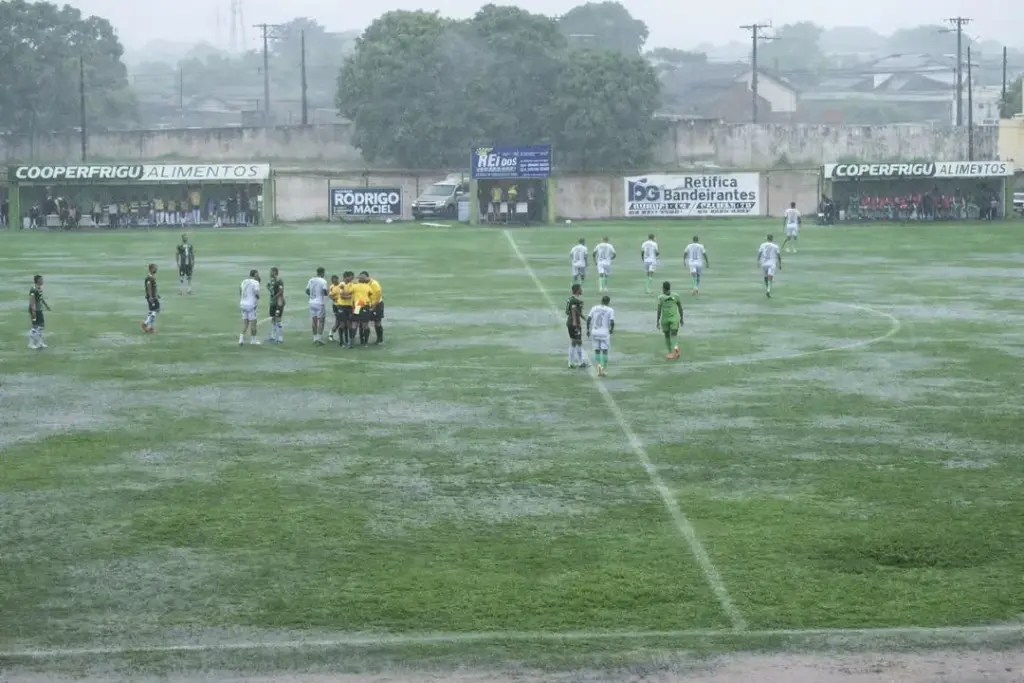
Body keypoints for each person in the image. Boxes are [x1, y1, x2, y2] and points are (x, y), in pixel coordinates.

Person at [587, 295, 615, 377]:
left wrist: (588, 330)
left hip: (595, 332)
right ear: (608, 302)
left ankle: (598, 367)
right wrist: (611, 329)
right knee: (605, 351)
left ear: (601, 301)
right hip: (604, 333)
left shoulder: (594, 308)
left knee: (597, 350)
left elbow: (589, 319)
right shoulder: (610, 310)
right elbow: (612, 321)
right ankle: (603, 369)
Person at [656, 281, 683, 359]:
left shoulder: (660, 297)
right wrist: (682, 318)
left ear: (663, 288)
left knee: (667, 336)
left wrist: (657, 321)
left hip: (665, 319)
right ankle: (675, 346)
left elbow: (659, 310)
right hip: (674, 318)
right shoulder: (676, 296)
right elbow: (680, 308)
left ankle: (670, 353)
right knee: (674, 334)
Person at [565, 284, 587, 369]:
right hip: (574, 323)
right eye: (581, 288)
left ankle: (572, 362)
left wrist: (583, 317)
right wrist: (575, 322)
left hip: (570, 322)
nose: (582, 290)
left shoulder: (571, 299)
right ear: (577, 290)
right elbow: (574, 310)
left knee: (574, 342)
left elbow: (568, 311)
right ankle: (579, 362)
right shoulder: (575, 301)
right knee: (578, 342)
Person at [305, 267, 329, 345]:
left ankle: (314, 338)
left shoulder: (311, 280)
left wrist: (312, 296)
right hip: (319, 303)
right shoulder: (323, 281)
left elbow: (307, 290)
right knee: (321, 321)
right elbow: (325, 292)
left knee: (314, 320)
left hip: (311, 302)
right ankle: (319, 338)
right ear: (322, 273)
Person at [347, 274, 372, 346]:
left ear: (359, 280)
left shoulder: (354, 286)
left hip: (358, 305)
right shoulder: (367, 286)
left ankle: (351, 342)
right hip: (364, 304)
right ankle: (366, 343)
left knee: (354, 323)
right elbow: (371, 294)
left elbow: (349, 292)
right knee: (365, 325)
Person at [238, 269, 261, 345]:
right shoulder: (256, 282)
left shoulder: (244, 281)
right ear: (255, 275)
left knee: (245, 324)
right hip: (251, 306)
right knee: (253, 324)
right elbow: (256, 293)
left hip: (243, 304)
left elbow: (240, 291)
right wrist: (258, 297)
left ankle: (241, 339)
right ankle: (253, 340)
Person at [28, 274, 51, 349]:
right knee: (35, 327)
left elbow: (41, 299)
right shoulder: (33, 289)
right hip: (34, 311)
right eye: (41, 280)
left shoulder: (39, 289)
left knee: (41, 326)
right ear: (38, 280)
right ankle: (31, 343)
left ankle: (40, 342)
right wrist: (33, 311)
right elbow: (32, 301)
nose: (42, 281)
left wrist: (46, 306)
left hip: (39, 310)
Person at [757, 234, 782, 298]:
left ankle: (768, 288)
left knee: (766, 276)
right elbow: (778, 255)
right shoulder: (775, 246)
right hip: (772, 263)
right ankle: (768, 290)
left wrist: (758, 261)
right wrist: (780, 263)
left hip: (764, 263)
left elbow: (759, 253)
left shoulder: (763, 245)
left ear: (767, 238)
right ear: (772, 238)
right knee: (770, 276)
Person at [364, 271, 384, 345]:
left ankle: (380, 339)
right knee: (364, 322)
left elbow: (378, 297)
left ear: (368, 277)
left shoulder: (374, 284)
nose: (362, 279)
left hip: (377, 305)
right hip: (367, 305)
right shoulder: (363, 283)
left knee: (377, 323)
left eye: (363, 277)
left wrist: (374, 307)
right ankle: (364, 341)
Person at [266, 267, 285, 344]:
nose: (270, 273)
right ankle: (273, 337)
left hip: (279, 303)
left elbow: (281, 291)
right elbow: (270, 289)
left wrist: (274, 297)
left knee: (278, 319)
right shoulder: (271, 281)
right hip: (273, 303)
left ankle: (280, 338)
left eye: (271, 272)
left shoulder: (279, 281)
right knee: (273, 319)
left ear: (275, 272)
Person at [336, 271, 355, 347]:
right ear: (347, 277)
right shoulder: (341, 285)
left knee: (349, 324)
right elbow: (342, 296)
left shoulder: (352, 284)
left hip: (349, 306)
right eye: (351, 276)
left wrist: (348, 295)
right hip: (342, 306)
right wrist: (350, 296)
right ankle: (342, 341)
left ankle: (349, 341)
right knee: (342, 324)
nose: (352, 278)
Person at [141, 264, 160, 333]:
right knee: (156, 310)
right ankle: (145, 324)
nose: (156, 270)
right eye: (155, 268)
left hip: (153, 296)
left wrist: (157, 294)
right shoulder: (149, 278)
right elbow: (149, 287)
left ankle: (151, 328)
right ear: (151, 269)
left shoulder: (151, 277)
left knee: (151, 311)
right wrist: (151, 297)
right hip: (152, 297)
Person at [328, 275, 346, 343]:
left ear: (338, 279)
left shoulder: (342, 285)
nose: (334, 282)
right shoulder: (331, 287)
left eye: (335, 280)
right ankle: (332, 333)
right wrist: (336, 298)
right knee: (339, 321)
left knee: (343, 321)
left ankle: (342, 335)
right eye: (333, 281)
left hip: (343, 305)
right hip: (336, 306)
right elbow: (330, 296)